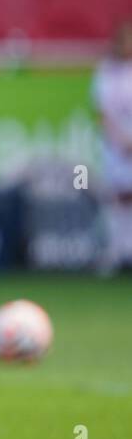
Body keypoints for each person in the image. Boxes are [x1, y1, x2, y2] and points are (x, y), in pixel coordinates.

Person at [94, 20, 132, 272]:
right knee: (117, 199)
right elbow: (103, 112)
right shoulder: (106, 72)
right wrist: (122, 140)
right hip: (117, 148)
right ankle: (118, 252)